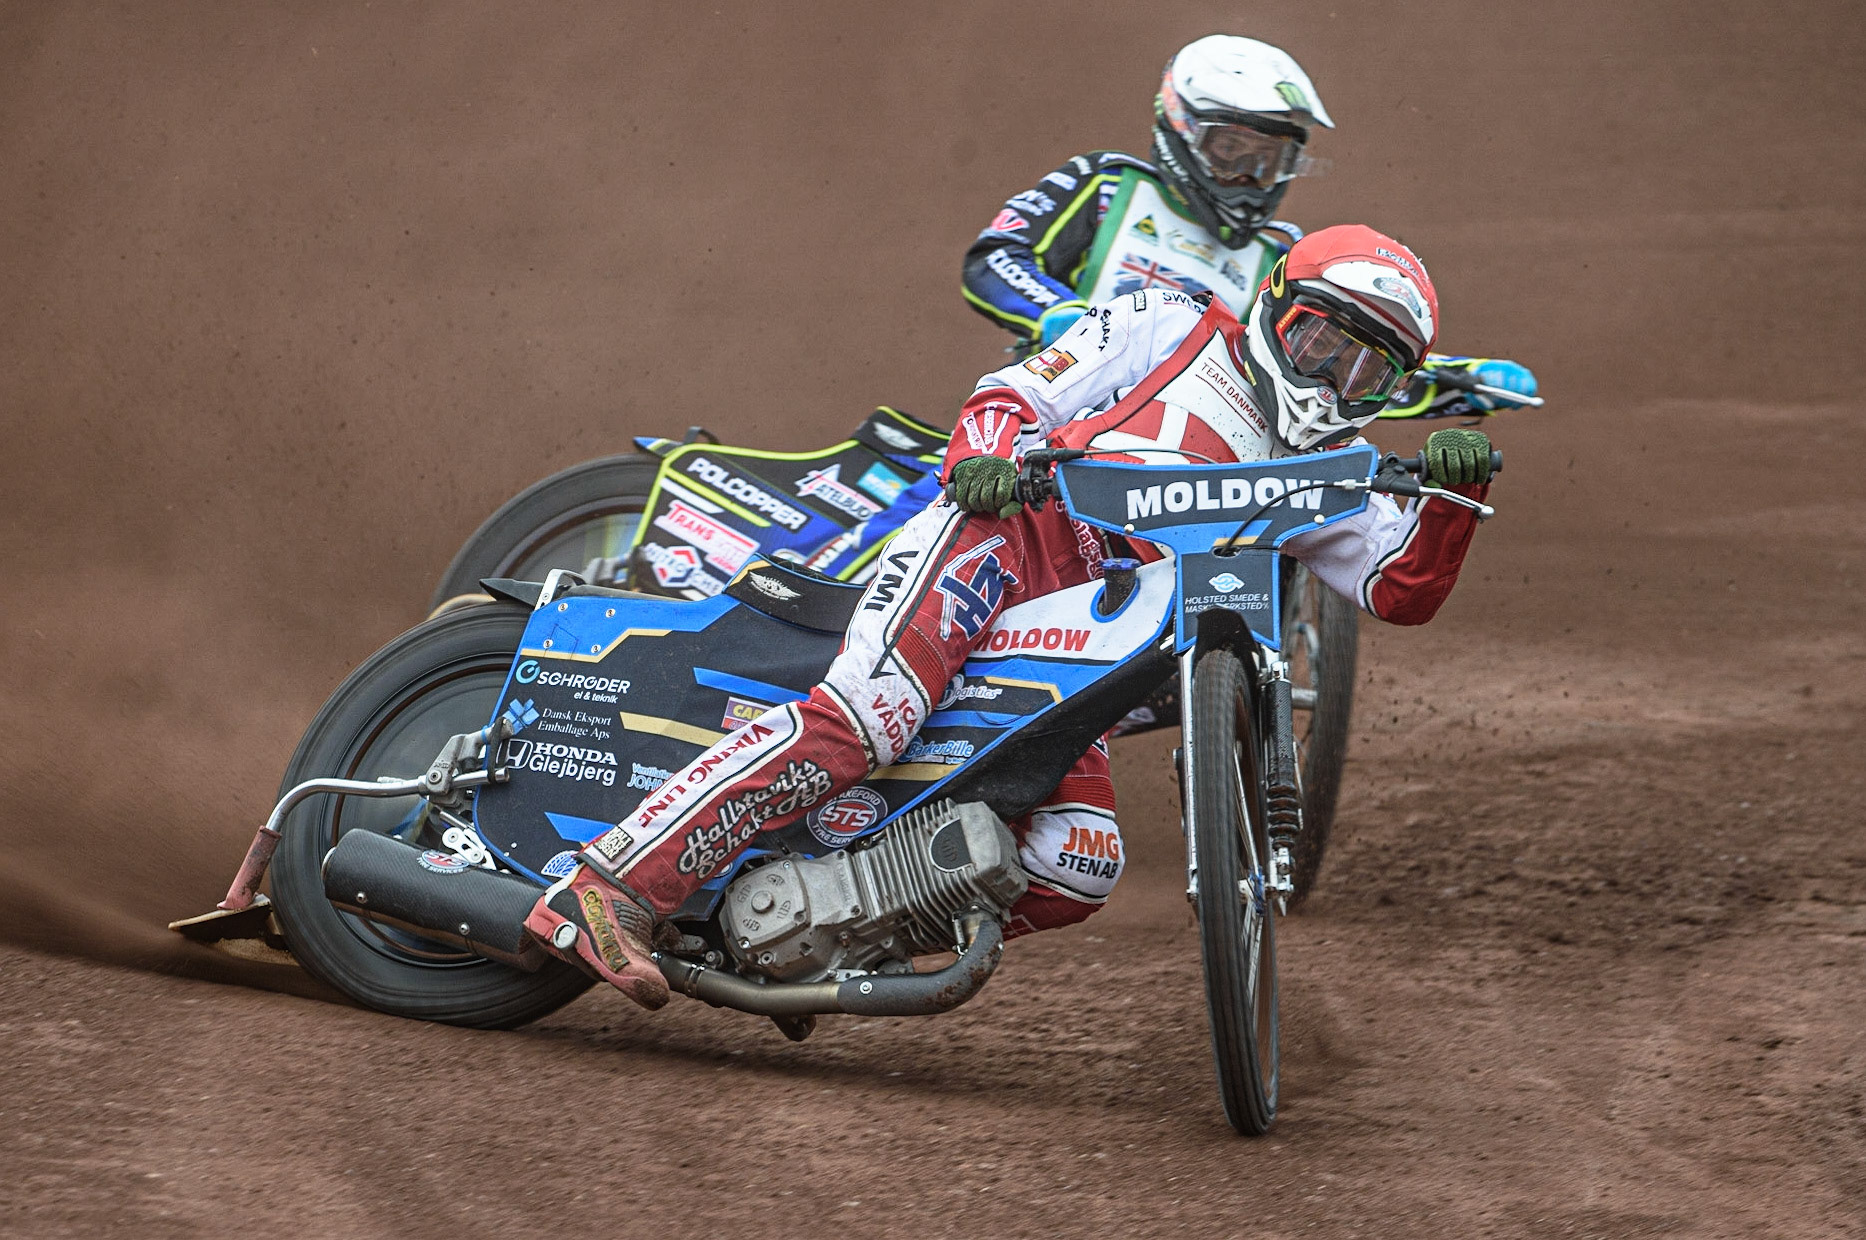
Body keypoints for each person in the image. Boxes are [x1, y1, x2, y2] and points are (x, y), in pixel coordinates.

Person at [522, 225, 1499, 1010]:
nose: (1333, 381)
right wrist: (985, 453)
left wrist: (1448, 504)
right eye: (1319, 342)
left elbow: (1399, 589)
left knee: (1078, 862)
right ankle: (605, 889)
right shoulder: (1173, 325)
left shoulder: (1332, 481)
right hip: (1008, 540)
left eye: (1367, 371)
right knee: (871, 715)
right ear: (1275, 307)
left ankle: (811, 932)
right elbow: (1019, 388)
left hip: (1090, 646)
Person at [960, 33, 1537, 418]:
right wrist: (1053, 315)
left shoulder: (1287, 255)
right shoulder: (1108, 186)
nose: (1247, 177)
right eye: (1231, 150)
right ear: (1181, 128)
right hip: (1060, 413)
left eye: (1269, 161)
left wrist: (1463, 383)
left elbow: (1336, 361)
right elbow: (995, 257)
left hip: (1203, 455)